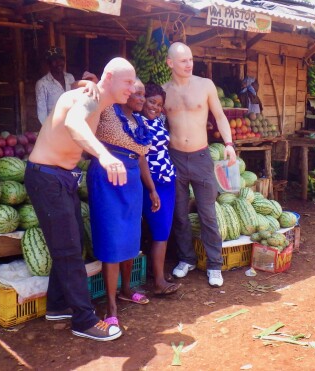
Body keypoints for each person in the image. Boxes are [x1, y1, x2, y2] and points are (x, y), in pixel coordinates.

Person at [25, 57, 135, 342]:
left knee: (71, 244)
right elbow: (74, 122)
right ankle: (84, 321)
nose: (132, 88)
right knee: (69, 250)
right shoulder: (86, 97)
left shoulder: (101, 99)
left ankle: (58, 305)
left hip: (61, 177)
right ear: (108, 77)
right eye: (127, 81)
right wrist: (104, 155)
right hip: (47, 177)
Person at [163, 42, 236, 287]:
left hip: (201, 157)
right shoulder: (164, 92)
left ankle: (215, 265)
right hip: (175, 158)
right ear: (170, 63)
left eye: (191, 59)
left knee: (208, 214)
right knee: (180, 214)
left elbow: (220, 116)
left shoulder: (205, 85)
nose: (189, 64)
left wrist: (228, 143)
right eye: (183, 60)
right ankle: (186, 259)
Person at [88, 79, 160, 325]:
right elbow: (81, 83)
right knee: (111, 239)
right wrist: (90, 83)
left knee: (130, 238)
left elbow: (141, 159)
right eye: (136, 94)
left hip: (131, 180)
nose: (141, 98)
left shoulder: (139, 122)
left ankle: (126, 290)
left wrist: (151, 189)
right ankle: (111, 306)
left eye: (143, 94)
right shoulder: (108, 110)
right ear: (124, 94)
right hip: (107, 177)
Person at [139, 83, 180, 295]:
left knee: (161, 230)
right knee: (160, 231)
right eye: (151, 101)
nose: (155, 107)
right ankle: (159, 282)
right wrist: (152, 189)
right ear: (142, 99)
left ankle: (157, 274)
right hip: (153, 183)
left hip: (167, 180)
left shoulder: (157, 121)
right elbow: (141, 159)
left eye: (159, 104)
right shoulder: (138, 123)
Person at [35, 47, 76, 124]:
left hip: (71, 123)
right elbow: (42, 113)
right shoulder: (42, 84)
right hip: (54, 126)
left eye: (61, 59)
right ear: (48, 64)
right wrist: (48, 131)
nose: (59, 63)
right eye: (54, 60)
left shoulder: (70, 78)